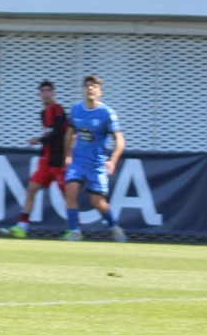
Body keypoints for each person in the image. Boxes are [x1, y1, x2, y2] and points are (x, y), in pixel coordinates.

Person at [62, 74, 127, 242]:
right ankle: (75, 230)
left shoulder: (107, 113)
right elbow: (70, 133)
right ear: (83, 90)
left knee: (97, 202)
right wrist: (67, 155)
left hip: (96, 164)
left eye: (94, 86)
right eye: (87, 86)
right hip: (78, 162)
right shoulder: (76, 109)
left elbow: (119, 139)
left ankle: (114, 227)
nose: (90, 88)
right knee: (70, 192)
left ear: (100, 92)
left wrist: (112, 160)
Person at [8, 81, 69, 237]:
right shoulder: (42, 113)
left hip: (58, 161)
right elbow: (49, 135)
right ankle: (21, 227)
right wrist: (42, 143)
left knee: (67, 196)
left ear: (53, 93)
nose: (46, 93)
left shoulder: (58, 111)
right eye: (43, 91)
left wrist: (39, 140)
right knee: (31, 190)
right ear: (39, 95)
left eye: (49, 90)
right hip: (45, 160)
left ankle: (75, 228)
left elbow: (58, 135)